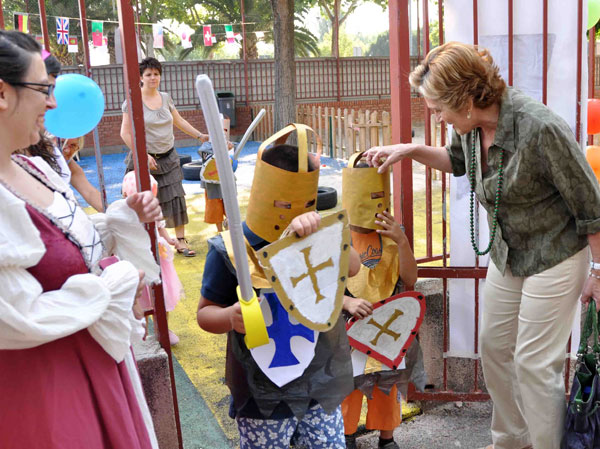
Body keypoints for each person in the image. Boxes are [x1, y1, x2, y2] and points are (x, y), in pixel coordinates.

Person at [364, 41, 600, 449]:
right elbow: (456, 161)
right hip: (509, 253)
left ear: (466, 99)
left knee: (533, 363)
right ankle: (512, 439)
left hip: (557, 255)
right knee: (493, 349)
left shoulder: (538, 127)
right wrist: (410, 149)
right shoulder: (470, 129)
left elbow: (591, 205)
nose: (435, 116)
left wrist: (597, 272)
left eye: (439, 107)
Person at [0, 30, 163, 448]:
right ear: (2, 94)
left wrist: (122, 219)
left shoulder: (29, 167)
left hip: (92, 368)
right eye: (43, 89)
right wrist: (112, 285)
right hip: (45, 391)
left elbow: (69, 249)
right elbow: (14, 318)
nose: (53, 103)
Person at [196, 132, 361, 448]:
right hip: (262, 394)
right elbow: (205, 314)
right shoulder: (230, 250)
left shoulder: (316, 236)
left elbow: (352, 267)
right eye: (285, 203)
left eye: (305, 202)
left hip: (318, 381)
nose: (294, 211)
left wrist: (320, 237)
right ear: (264, 193)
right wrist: (230, 316)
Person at [340, 155, 418, 449]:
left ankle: (387, 439)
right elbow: (325, 285)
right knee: (349, 385)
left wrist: (402, 242)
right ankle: (345, 436)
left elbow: (410, 278)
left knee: (386, 384)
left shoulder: (392, 235)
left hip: (388, 327)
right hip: (350, 328)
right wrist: (347, 304)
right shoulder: (339, 235)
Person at [120, 56, 209, 257]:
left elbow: (178, 121)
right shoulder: (132, 100)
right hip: (144, 159)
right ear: (141, 78)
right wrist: (142, 155)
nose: (153, 78)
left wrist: (199, 135)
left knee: (176, 197)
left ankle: (180, 241)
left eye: (157, 74)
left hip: (168, 157)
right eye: (149, 74)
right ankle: (143, 244)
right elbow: (125, 133)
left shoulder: (166, 98)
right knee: (142, 202)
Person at [122, 170, 184, 345]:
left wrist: (170, 239)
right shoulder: (125, 214)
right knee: (141, 299)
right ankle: (144, 331)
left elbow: (159, 226)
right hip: (137, 261)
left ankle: (163, 328)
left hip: (158, 258)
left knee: (163, 295)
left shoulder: (152, 209)